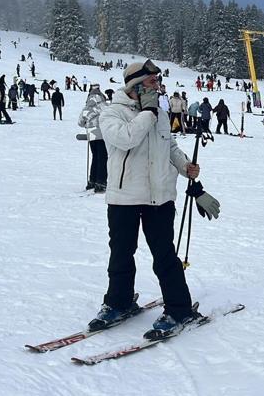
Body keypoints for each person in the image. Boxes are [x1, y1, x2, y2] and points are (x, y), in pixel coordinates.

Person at [90, 60, 220, 338]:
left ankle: (179, 308)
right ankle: (118, 302)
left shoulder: (159, 114)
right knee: (121, 253)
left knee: (164, 256)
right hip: (124, 196)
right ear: (135, 85)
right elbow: (125, 139)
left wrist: (186, 166)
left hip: (159, 197)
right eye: (152, 81)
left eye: (158, 80)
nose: (158, 85)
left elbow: (169, 146)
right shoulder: (112, 112)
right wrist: (148, 112)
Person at [79, 84, 108, 192]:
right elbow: (110, 115)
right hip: (102, 134)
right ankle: (101, 181)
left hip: (91, 135)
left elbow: (80, 122)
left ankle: (92, 180)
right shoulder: (102, 104)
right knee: (103, 158)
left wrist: (88, 123)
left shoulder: (87, 107)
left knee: (95, 157)